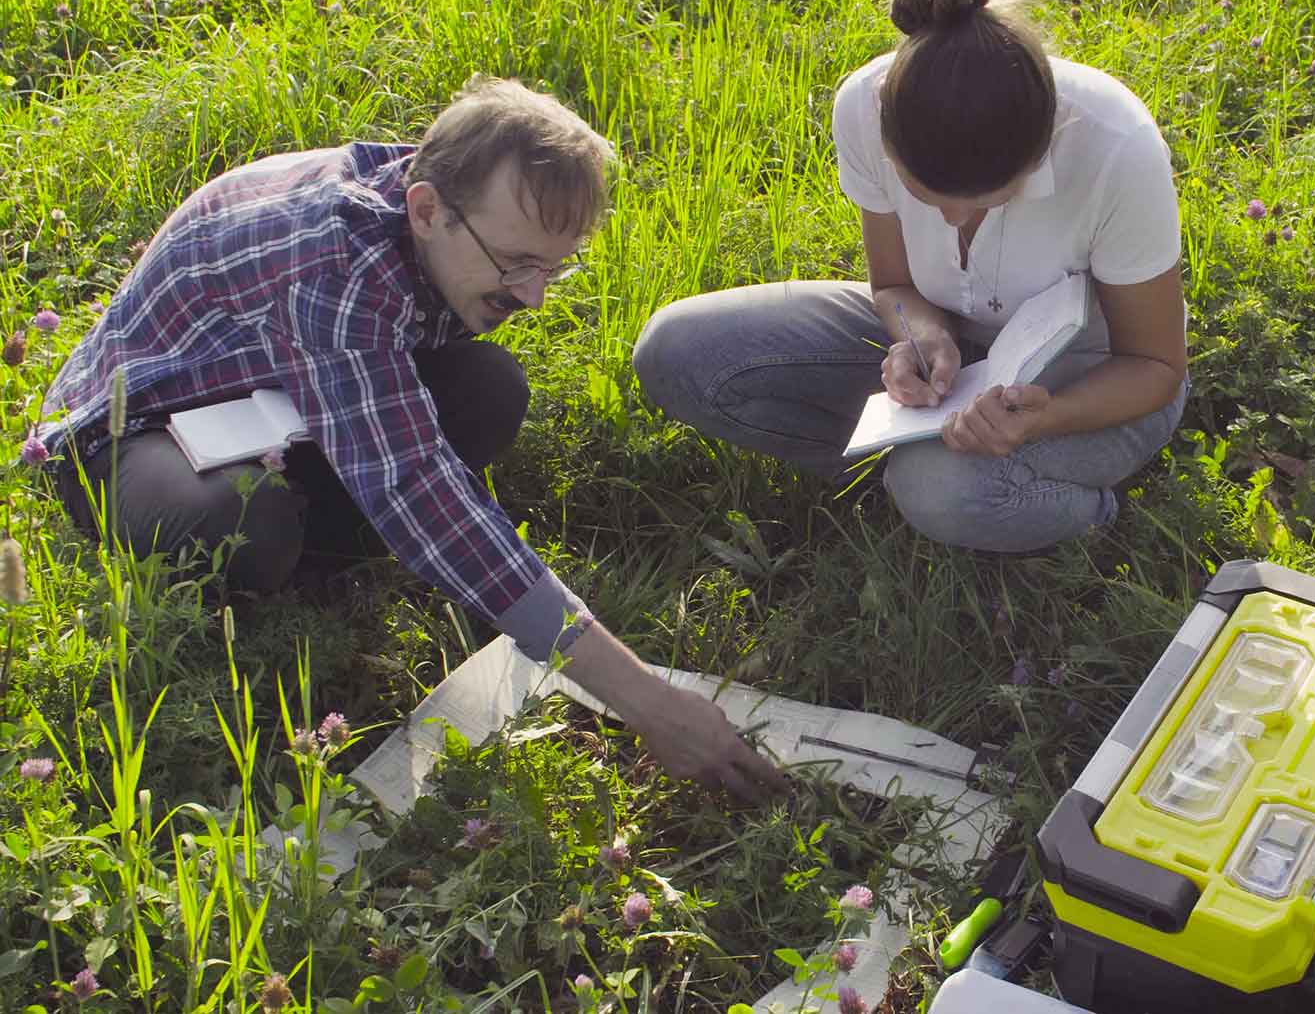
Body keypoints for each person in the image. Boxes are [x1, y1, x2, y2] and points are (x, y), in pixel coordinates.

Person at [38, 77, 783, 801]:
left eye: (555, 267)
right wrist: (646, 701)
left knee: (489, 390)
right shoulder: (331, 264)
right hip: (132, 429)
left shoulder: (444, 198)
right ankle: (272, 585)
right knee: (245, 523)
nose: (534, 295)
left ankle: (318, 539)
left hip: (270, 399)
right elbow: (423, 493)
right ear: (426, 210)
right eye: (517, 263)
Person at [633, 0, 1187, 552]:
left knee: (939, 490)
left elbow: (1154, 367)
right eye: (928, 197)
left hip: (1094, 373)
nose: (952, 220)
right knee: (679, 350)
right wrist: (920, 336)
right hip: (960, 370)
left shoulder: (1116, 148)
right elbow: (895, 289)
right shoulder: (864, 109)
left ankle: (1068, 508)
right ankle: (917, 471)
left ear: (1039, 150)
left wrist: (1042, 418)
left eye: (989, 200)